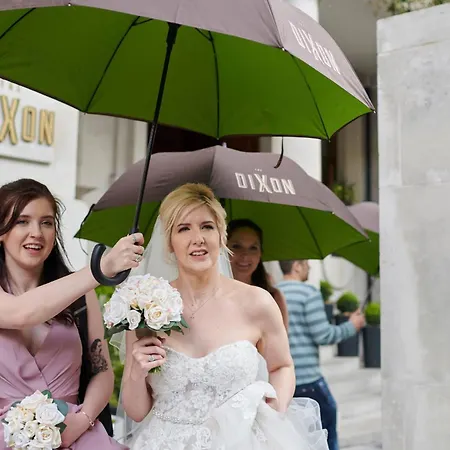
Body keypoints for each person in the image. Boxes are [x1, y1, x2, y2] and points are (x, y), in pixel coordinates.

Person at [119, 183, 329, 450]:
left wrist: (272, 412)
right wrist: (137, 373)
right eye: (184, 228)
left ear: (221, 235)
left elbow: (282, 367)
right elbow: (137, 412)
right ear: (169, 242)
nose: (198, 238)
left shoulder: (258, 302)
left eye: (207, 226)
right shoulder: (145, 307)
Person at [0, 178, 145, 449]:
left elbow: (101, 371)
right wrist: (101, 268)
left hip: (78, 435)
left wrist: (82, 420)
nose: (36, 233)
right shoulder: (83, 282)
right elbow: (22, 313)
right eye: (22, 222)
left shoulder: (81, 296)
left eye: (46, 222)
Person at [276, 260, 366, 450]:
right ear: (297, 266)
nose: (310, 267)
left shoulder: (272, 292)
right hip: (308, 381)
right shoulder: (309, 293)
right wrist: (352, 325)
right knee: (325, 435)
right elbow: (323, 335)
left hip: (281, 382)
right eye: (306, 263)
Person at [226, 219, 289, 330]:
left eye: (253, 248)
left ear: (260, 253)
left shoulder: (273, 297)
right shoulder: (207, 296)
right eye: (237, 246)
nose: (245, 255)